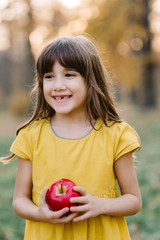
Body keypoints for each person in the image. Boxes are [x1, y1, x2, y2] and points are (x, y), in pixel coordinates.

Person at [0, 35, 142, 240]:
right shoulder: (31, 136)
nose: (57, 85)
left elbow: (133, 200)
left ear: (90, 79)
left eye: (69, 74)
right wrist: (40, 214)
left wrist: (99, 205)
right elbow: (19, 200)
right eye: (49, 76)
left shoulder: (116, 135)